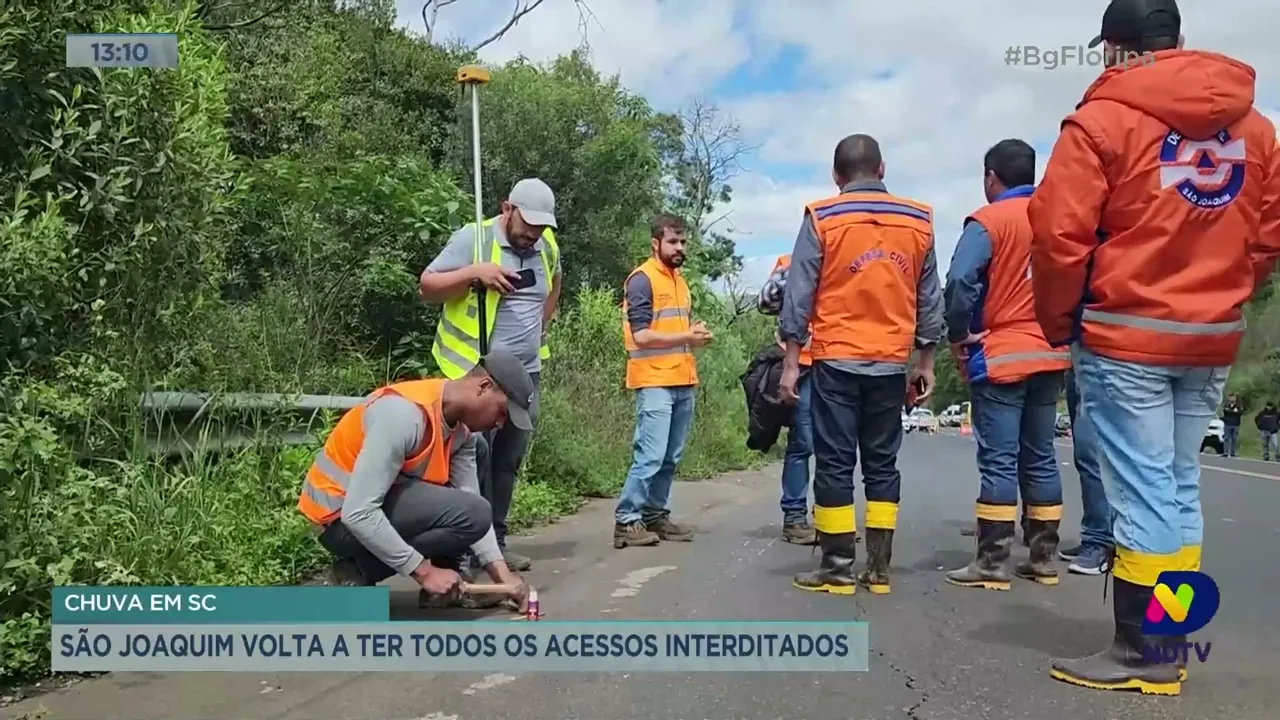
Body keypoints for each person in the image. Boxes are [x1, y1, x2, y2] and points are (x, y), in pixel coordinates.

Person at [1030, 0, 1280, 695]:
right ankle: (1169, 641)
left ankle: (1143, 655)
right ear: (1178, 41)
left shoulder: (1099, 121)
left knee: (1141, 488)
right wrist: (1220, 294)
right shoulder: (1258, 130)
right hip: (1209, 337)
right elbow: (1267, 236)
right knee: (1177, 483)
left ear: (1114, 50)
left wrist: (1059, 321)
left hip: (1126, 334)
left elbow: (1058, 238)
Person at [779, 134, 945, 596]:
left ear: (837, 176)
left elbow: (799, 294)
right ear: (882, 169)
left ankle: (836, 567)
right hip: (891, 363)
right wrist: (925, 360)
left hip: (836, 359)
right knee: (882, 464)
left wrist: (792, 363)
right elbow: (930, 297)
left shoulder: (823, 216)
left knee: (833, 462)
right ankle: (878, 569)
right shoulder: (919, 219)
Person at [297, 349, 536, 612]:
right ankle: (355, 570)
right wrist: (424, 572)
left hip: (376, 509)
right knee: (473, 512)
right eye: (502, 412)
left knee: (474, 513)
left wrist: (504, 580)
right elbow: (358, 512)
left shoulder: (461, 436)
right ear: (483, 387)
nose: (500, 424)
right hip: (338, 520)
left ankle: (444, 578)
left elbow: (473, 508)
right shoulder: (404, 416)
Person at [942, 139, 1072, 592]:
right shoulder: (1062, 217)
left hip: (1002, 355)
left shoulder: (989, 220)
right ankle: (1043, 557)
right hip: (1053, 354)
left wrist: (959, 334)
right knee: (1040, 456)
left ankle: (992, 561)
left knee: (999, 460)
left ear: (990, 177)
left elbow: (959, 281)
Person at [419, 178, 562, 572]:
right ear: (506, 209)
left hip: (525, 377)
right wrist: (473, 274)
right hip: (474, 375)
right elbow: (427, 287)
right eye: (527, 224)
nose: (533, 234)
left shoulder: (545, 246)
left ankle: (495, 543)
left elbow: (555, 285)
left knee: (507, 461)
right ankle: (461, 551)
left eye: (540, 227)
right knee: (470, 460)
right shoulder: (473, 240)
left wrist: (542, 325)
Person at [613, 214, 711, 548]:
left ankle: (655, 515)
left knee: (670, 456)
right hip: (653, 380)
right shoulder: (642, 280)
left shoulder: (679, 281)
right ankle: (627, 520)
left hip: (682, 378)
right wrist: (687, 335)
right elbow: (640, 335)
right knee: (651, 454)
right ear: (656, 243)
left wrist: (692, 331)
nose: (679, 247)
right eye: (673, 241)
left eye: (683, 241)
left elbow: (670, 329)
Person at [757, 254, 817, 545]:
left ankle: (833, 518)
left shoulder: (852, 259)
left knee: (838, 445)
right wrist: (795, 271)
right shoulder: (792, 260)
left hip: (841, 363)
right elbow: (766, 301)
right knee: (803, 442)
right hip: (802, 364)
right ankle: (794, 517)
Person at [1055, 368, 1113, 575]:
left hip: (1103, 362)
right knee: (1084, 456)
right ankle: (1095, 534)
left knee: (1091, 455)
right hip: (1078, 364)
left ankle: (1101, 542)